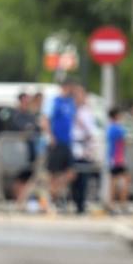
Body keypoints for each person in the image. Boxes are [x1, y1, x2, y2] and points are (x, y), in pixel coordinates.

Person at [45, 81, 78, 209]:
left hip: (67, 142)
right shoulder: (54, 102)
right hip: (57, 142)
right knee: (53, 173)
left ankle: (54, 192)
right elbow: (45, 119)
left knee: (71, 173)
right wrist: (51, 136)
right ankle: (53, 199)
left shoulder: (70, 102)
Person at [70, 84, 99, 215]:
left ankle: (81, 204)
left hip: (84, 146)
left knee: (84, 176)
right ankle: (75, 202)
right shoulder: (70, 109)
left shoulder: (87, 111)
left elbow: (91, 130)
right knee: (73, 176)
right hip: (72, 146)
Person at [107, 106, 130, 213]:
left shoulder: (110, 128)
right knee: (123, 181)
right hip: (118, 158)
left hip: (113, 158)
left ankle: (113, 205)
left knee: (114, 182)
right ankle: (122, 204)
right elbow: (123, 141)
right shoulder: (118, 128)